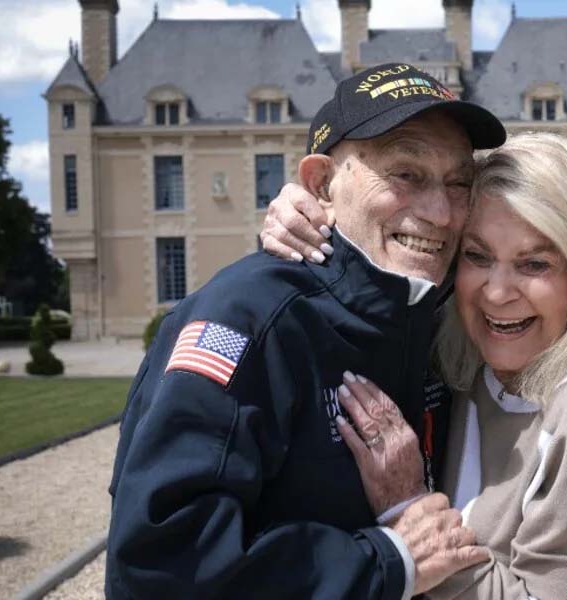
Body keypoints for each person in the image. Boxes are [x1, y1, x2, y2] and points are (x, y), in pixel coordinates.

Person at [104, 63, 507, 599]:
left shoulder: (441, 305)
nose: (440, 213)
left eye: (459, 183)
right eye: (406, 174)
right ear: (320, 183)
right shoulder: (248, 317)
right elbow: (161, 561)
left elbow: (558, 278)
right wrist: (391, 560)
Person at [263, 133, 567, 598]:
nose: (497, 293)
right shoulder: (468, 348)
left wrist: (410, 510)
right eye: (477, 256)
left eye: (535, 264)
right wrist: (311, 214)